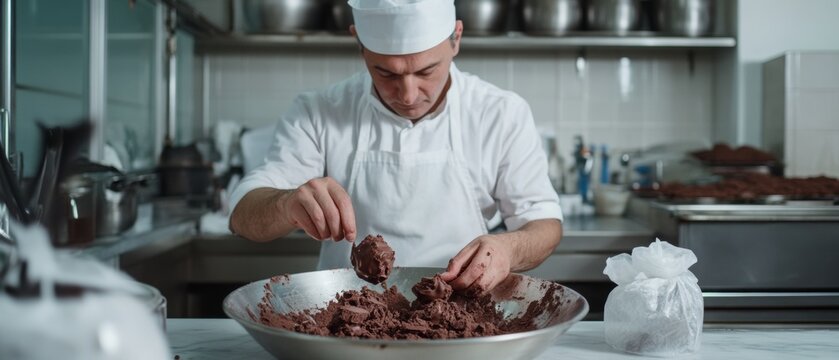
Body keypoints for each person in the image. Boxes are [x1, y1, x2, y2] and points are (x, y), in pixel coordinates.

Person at [229, 0, 563, 294]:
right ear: (359, 44)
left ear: (456, 38)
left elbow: (543, 223)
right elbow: (243, 214)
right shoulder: (319, 111)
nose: (407, 95)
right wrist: (287, 204)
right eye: (385, 73)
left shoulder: (500, 113)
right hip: (343, 319)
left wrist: (508, 247)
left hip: (462, 317)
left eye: (426, 71)